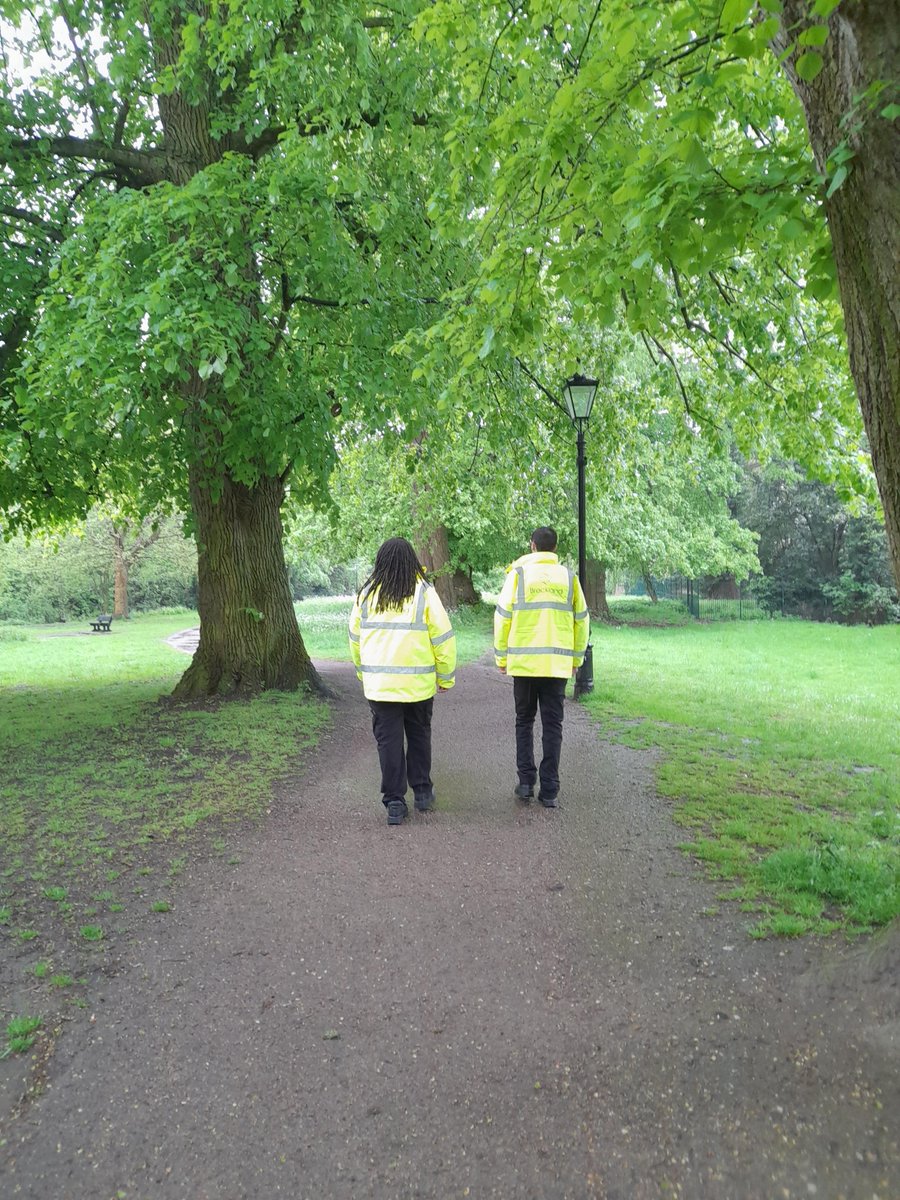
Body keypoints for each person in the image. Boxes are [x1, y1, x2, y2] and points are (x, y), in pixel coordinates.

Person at [349, 538, 457, 826]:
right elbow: (443, 637)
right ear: (411, 560)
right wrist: (446, 676)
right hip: (417, 684)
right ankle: (422, 792)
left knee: (388, 742)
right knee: (419, 735)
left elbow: (355, 638)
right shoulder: (424, 592)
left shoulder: (367, 594)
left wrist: (363, 672)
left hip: (380, 685)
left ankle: (395, 803)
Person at [493, 526, 590, 808]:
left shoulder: (518, 575)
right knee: (552, 725)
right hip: (556, 666)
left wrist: (502, 658)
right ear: (555, 548)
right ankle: (549, 790)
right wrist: (576, 659)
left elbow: (502, 617)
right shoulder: (569, 578)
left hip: (524, 664)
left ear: (532, 546)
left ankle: (525, 783)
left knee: (524, 721)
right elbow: (582, 620)